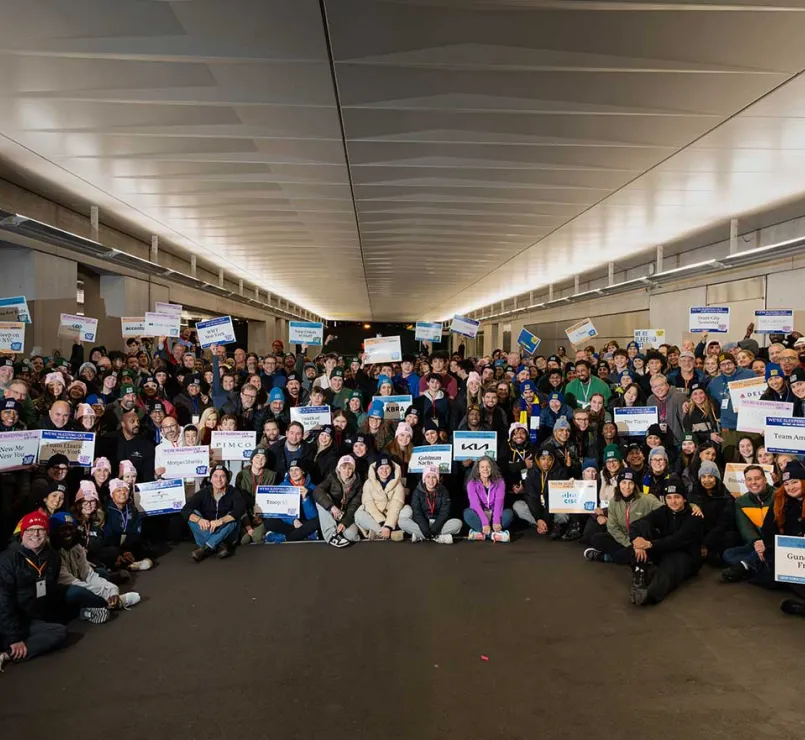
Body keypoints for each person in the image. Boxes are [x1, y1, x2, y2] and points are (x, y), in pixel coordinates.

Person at [0, 512, 68, 670]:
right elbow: (3, 600)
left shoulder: (53, 557)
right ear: (22, 533)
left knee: (59, 631)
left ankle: (6, 655)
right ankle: (13, 645)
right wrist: (13, 637)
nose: (35, 534)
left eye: (41, 529)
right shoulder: (7, 559)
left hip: (29, 619)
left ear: (47, 533)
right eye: (30, 530)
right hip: (7, 619)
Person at [629, 476, 704, 606]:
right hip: (664, 549)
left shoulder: (694, 516)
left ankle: (650, 595)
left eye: (677, 497)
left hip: (685, 555)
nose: (673, 501)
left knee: (670, 566)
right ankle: (640, 574)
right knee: (643, 528)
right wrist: (636, 541)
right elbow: (637, 524)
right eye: (669, 498)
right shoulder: (663, 511)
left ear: (684, 498)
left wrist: (650, 544)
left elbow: (678, 539)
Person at [50, 512, 140, 615]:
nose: (68, 533)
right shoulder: (52, 553)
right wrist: (106, 595)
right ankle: (113, 603)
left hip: (78, 580)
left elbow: (88, 574)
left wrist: (113, 590)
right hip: (62, 592)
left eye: (71, 529)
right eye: (63, 529)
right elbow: (70, 581)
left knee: (101, 573)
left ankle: (93, 608)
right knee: (76, 592)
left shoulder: (77, 547)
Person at [584, 469, 661, 563]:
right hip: (624, 538)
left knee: (644, 533)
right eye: (623, 483)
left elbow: (665, 512)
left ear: (635, 485)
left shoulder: (647, 499)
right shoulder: (614, 501)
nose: (627, 487)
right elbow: (612, 528)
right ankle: (635, 555)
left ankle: (607, 557)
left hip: (642, 539)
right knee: (597, 538)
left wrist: (640, 544)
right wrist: (630, 544)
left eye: (630, 483)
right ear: (619, 484)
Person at [721, 464, 775, 582]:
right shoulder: (741, 502)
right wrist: (756, 542)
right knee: (728, 554)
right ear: (745, 481)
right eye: (749, 479)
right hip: (755, 545)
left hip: (774, 542)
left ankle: (745, 566)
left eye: (757, 478)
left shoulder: (778, 496)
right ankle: (758, 565)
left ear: (765, 480)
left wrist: (766, 543)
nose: (753, 482)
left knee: (772, 551)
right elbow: (745, 527)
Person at [182, 464, 246, 562]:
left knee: (233, 518)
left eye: (222, 476)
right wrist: (199, 520)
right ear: (211, 479)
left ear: (227, 479)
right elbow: (185, 509)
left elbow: (240, 509)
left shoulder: (234, 492)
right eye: (215, 476)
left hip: (227, 534)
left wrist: (221, 521)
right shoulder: (204, 492)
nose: (219, 479)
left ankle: (207, 548)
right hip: (206, 531)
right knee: (192, 514)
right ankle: (217, 545)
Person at [688, 461, 740, 566]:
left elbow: (723, 523)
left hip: (719, 535)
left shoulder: (726, 497)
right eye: (703, 477)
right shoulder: (693, 495)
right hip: (699, 535)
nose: (707, 480)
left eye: (711, 476)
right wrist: (692, 505)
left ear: (716, 478)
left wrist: (706, 544)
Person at [514, 445, 569, 537]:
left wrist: (545, 519)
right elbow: (531, 497)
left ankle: (548, 525)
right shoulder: (531, 473)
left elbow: (556, 499)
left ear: (553, 460)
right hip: (538, 507)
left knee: (563, 514)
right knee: (518, 506)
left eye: (549, 459)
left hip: (552, 510)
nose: (546, 462)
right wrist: (538, 518)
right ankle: (542, 524)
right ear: (538, 459)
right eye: (543, 459)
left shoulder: (560, 473)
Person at [399, 465, 461, 544]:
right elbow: (417, 511)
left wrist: (435, 528)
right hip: (423, 522)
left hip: (438, 523)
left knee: (458, 524)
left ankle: (422, 536)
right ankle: (437, 537)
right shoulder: (417, 491)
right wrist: (424, 527)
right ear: (424, 478)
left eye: (434, 477)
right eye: (428, 477)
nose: (431, 480)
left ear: (438, 479)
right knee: (402, 522)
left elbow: (445, 512)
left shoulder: (444, 491)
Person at [103, 478, 154, 572]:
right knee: (110, 553)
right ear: (112, 495)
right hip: (113, 544)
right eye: (118, 490)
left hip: (128, 544)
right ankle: (127, 565)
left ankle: (128, 564)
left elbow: (136, 530)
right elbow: (108, 534)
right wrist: (120, 551)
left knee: (145, 546)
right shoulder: (106, 510)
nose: (122, 493)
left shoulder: (133, 509)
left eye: (125, 490)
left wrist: (127, 549)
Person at [313, 455, 362, 548]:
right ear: (339, 468)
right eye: (343, 468)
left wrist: (344, 522)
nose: (346, 471)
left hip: (345, 514)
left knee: (352, 535)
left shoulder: (358, 484)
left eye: (350, 469)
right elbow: (317, 491)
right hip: (332, 511)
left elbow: (354, 506)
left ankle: (340, 533)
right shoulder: (332, 477)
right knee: (321, 499)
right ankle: (331, 535)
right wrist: (332, 507)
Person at [354, 456, 406, 541]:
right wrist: (382, 523)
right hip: (375, 518)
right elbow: (368, 503)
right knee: (359, 514)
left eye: (387, 468)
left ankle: (379, 532)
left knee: (406, 511)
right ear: (376, 470)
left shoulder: (398, 484)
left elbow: (396, 505)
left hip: (391, 516)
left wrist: (388, 525)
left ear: (391, 469)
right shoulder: (368, 483)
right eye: (381, 468)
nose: (384, 471)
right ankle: (389, 533)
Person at [465, 456, 513, 542]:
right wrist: (485, 522)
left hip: (495, 513)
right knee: (467, 513)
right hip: (480, 515)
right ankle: (493, 535)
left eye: (488, 466)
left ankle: (480, 534)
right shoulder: (471, 484)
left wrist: (496, 520)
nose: (485, 469)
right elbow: (475, 505)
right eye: (482, 467)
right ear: (478, 469)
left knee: (509, 514)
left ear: (492, 468)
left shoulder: (500, 482)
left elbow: (499, 502)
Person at [235, 448, 277, 545]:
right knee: (244, 540)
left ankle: (267, 533)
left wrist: (261, 516)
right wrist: (248, 527)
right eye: (257, 457)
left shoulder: (272, 475)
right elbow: (239, 501)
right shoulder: (241, 475)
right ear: (251, 459)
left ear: (266, 461)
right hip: (246, 514)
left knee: (257, 538)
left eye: (263, 458)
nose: (260, 460)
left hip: (264, 515)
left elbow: (272, 500)